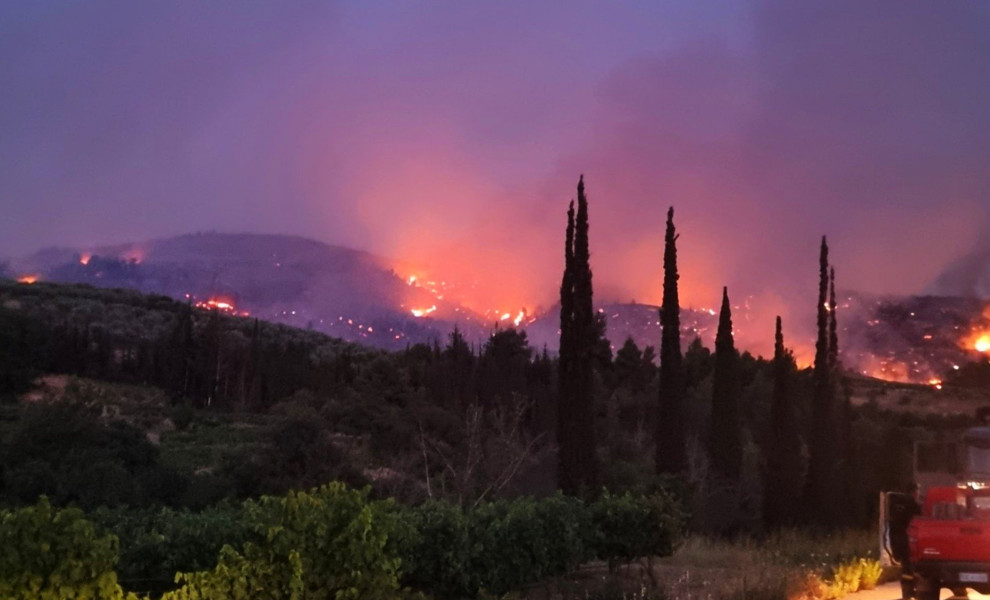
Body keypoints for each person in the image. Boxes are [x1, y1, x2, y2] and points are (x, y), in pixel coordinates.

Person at [889, 482, 922, 600]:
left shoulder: (895, 502)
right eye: (917, 491)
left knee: (905, 567)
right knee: (912, 567)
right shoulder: (912, 504)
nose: (918, 493)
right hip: (908, 539)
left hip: (896, 538)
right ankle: (912, 591)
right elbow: (920, 518)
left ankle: (906, 593)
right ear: (914, 492)